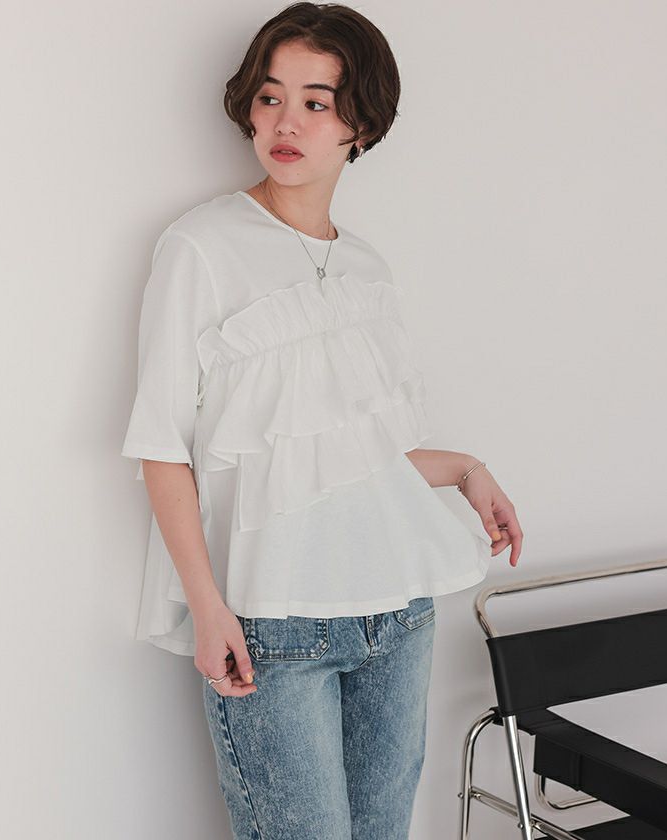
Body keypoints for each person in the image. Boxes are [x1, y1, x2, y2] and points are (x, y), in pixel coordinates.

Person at [121, 3, 523, 837]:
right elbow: (163, 448)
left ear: (360, 124)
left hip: (399, 615)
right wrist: (209, 608)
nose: (286, 123)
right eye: (270, 97)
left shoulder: (368, 268)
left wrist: (465, 468)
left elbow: (350, 455)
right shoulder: (201, 247)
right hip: (274, 627)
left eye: (317, 102)